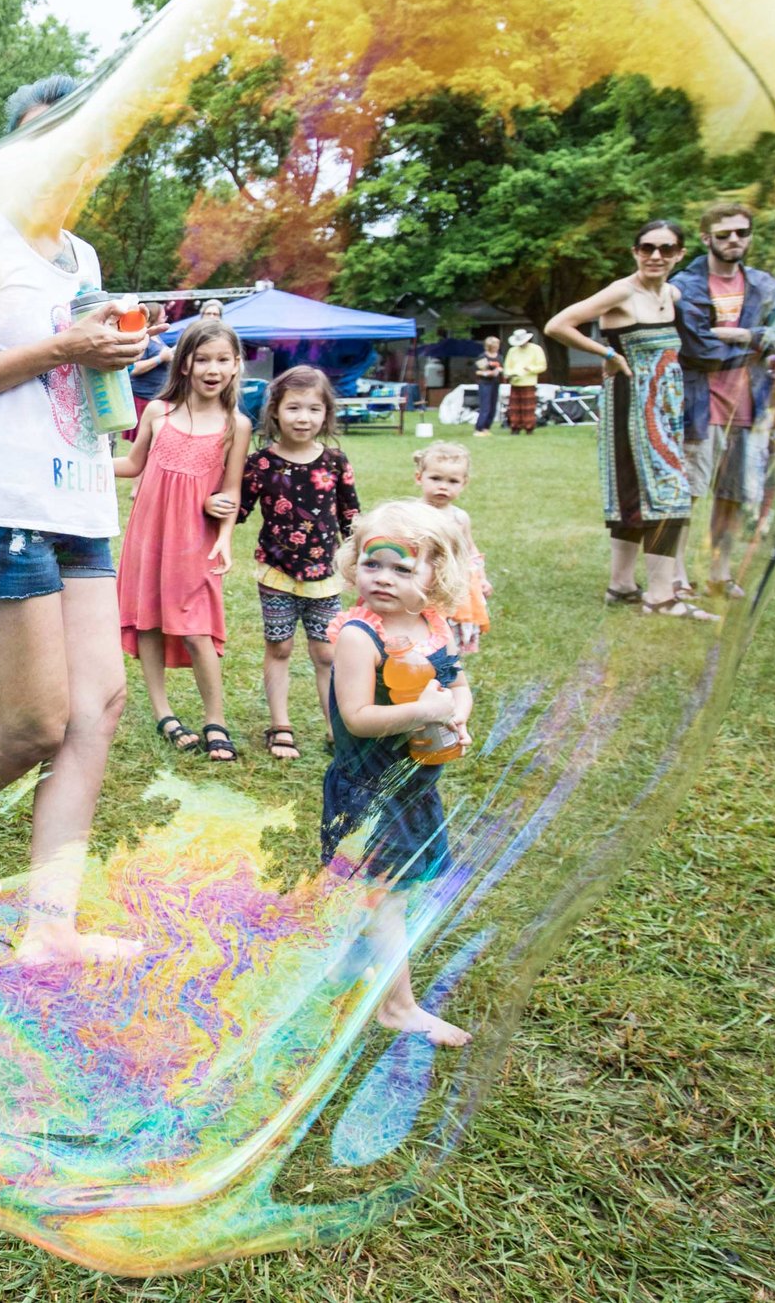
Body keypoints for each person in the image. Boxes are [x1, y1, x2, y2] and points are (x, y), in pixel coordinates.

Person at [0, 115, 147, 964]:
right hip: (1, 508)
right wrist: (62, 345)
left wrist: (114, 357)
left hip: (81, 503)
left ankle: (51, 928)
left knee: (100, 709)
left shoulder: (81, 258)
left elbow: (77, 374)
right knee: (38, 725)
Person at [322, 501, 477, 1048]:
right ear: (353, 564)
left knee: (391, 890)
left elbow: (456, 685)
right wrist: (425, 713)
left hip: (413, 786)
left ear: (438, 575)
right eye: (372, 564)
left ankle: (345, 968)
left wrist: (457, 714)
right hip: (369, 792)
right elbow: (359, 720)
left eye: (402, 569)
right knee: (384, 894)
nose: (382, 578)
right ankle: (398, 1006)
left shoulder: (435, 627)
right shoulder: (359, 636)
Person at [546, 220, 709, 619]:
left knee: (634, 496)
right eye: (647, 248)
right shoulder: (623, 290)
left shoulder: (672, 292)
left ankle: (621, 586)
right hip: (633, 407)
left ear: (679, 254)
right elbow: (557, 325)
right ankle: (660, 597)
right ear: (635, 252)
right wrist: (608, 356)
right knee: (667, 493)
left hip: (665, 408)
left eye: (666, 249)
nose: (656, 256)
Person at [118, 320, 250, 761]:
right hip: (148, 532)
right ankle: (163, 711)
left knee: (197, 630)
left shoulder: (237, 424)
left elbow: (231, 492)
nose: (213, 368)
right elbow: (133, 465)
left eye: (223, 359)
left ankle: (216, 720)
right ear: (185, 361)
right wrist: (82, 462)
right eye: (203, 358)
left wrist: (225, 532)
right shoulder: (158, 412)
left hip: (195, 538)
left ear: (236, 365)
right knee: (148, 620)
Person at [238, 364, 357, 761]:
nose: (303, 418)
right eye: (293, 408)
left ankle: (335, 727)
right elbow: (237, 510)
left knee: (326, 654)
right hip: (276, 573)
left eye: (313, 409)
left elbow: (350, 519)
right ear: (275, 411)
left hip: (325, 576)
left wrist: (362, 561)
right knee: (281, 646)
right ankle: (281, 725)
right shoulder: (260, 464)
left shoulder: (336, 462)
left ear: (326, 414)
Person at [673, 202, 775, 598]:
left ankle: (719, 575)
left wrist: (739, 334)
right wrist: (759, 339)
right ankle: (675, 577)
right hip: (698, 404)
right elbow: (696, 347)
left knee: (734, 496)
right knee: (683, 494)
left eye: (741, 232)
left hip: (750, 404)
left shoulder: (766, 285)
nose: (734, 240)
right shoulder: (684, 285)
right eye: (724, 235)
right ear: (707, 238)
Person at [413, 440, 491, 654]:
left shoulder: (459, 518)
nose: (443, 486)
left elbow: (470, 550)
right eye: (436, 478)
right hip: (421, 583)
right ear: (419, 477)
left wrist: (481, 578)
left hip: (452, 583)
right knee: (421, 631)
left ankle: (449, 667)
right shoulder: (411, 513)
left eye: (452, 481)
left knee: (448, 637)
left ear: (464, 483)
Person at [500, 329, 547, 434]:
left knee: (528, 407)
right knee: (514, 407)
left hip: (528, 381)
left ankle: (529, 427)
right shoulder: (512, 351)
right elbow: (507, 366)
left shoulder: (536, 349)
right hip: (515, 381)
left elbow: (542, 366)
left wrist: (530, 369)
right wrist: (509, 373)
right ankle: (515, 426)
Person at [471, 336, 504, 435]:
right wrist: (488, 373)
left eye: (497, 345)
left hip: (495, 383)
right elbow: (478, 371)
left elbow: (502, 368)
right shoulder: (483, 356)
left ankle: (487, 427)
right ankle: (479, 428)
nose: (496, 347)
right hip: (485, 383)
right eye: (494, 345)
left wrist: (500, 371)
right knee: (485, 406)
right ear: (489, 346)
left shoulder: (499, 357)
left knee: (493, 406)